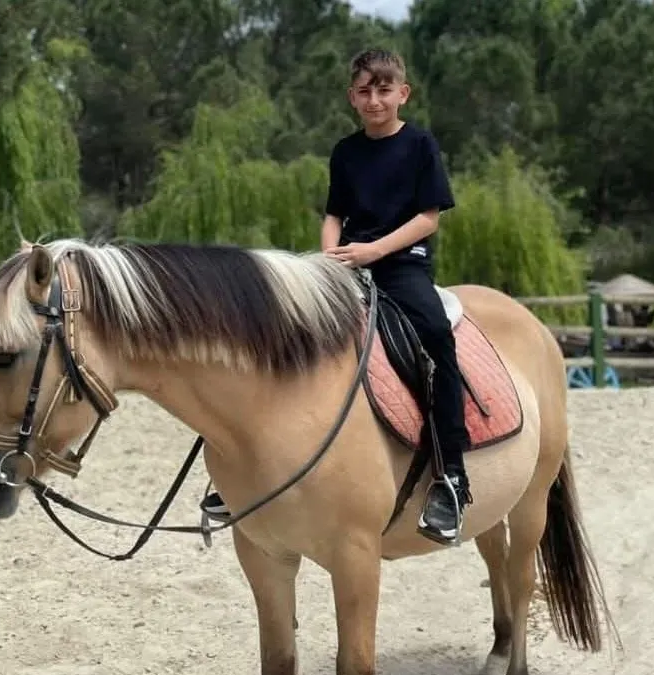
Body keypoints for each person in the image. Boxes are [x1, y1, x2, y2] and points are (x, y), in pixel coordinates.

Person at [200, 48, 472, 545]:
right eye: (365, 91)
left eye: (384, 90)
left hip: (402, 265)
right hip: (345, 263)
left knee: (436, 338)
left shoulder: (420, 145)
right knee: (279, 331)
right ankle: (247, 468)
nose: (375, 100)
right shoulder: (346, 151)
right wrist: (329, 259)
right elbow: (334, 215)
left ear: (403, 93)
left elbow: (428, 218)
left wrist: (374, 250)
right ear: (352, 97)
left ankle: (451, 475)